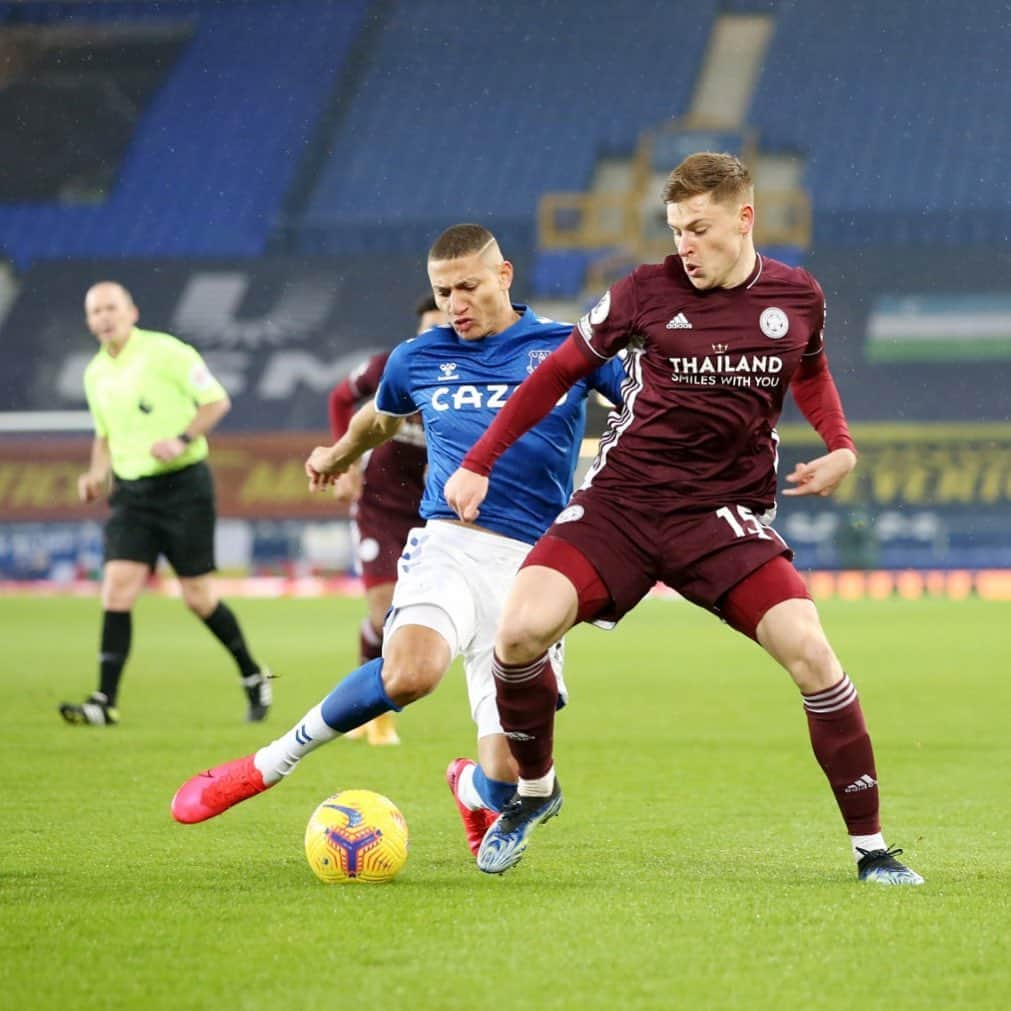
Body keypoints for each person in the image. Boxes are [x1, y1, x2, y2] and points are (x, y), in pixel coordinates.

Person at [444, 153, 924, 886]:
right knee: (516, 630)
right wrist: (478, 459)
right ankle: (534, 794)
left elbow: (811, 371)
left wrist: (840, 446)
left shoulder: (798, 297)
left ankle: (872, 849)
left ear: (745, 218)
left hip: (720, 515)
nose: (684, 247)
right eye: (674, 230)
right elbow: (556, 372)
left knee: (812, 654)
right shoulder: (643, 291)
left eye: (698, 229)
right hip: (622, 505)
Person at [170, 224, 627, 857]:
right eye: (443, 291)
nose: (454, 304)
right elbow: (379, 417)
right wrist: (338, 453)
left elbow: (646, 407)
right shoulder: (419, 356)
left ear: (505, 275)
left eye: (468, 286)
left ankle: (468, 788)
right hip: (447, 544)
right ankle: (267, 764)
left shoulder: (568, 349)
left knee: (507, 785)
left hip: (538, 568)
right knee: (410, 674)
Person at [59, 282, 272, 726]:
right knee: (117, 588)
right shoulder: (94, 373)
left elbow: (216, 401)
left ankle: (253, 675)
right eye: (95, 311)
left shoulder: (167, 352)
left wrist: (181, 439)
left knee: (198, 598)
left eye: (111, 307)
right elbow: (104, 437)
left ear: (132, 311)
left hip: (183, 488)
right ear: (88, 321)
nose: (104, 317)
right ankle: (104, 700)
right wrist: (97, 474)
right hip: (132, 495)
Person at [326, 295, 448, 746]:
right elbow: (341, 397)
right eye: (428, 329)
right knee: (384, 614)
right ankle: (375, 714)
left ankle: (368, 697)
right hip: (380, 506)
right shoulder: (394, 366)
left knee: (410, 617)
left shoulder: (468, 377)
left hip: (436, 511)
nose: (436, 337)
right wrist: (347, 463)